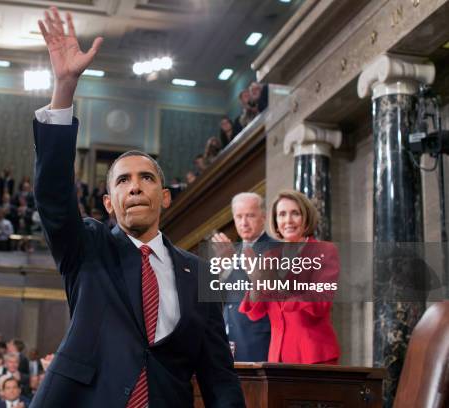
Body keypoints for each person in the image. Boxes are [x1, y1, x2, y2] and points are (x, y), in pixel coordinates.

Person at [30, 7, 244, 408]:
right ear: (109, 204)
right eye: (123, 181)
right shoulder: (88, 249)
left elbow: (219, 375)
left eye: (147, 178)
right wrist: (64, 89)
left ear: (164, 196)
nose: (135, 187)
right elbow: (54, 198)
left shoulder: (199, 275)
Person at [239, 189, 340, 364]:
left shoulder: (324, 251)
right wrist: (256, 282)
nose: (288, 220)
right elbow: (255, 312)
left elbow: (321, 302)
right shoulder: (270, 257)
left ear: (306, 217)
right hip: (277, 358)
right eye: (282, 214)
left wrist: (277, 288)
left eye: (295, 213)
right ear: (276, 222)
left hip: (314, 354)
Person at [212, 192, 276, 362]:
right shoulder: (231, 250)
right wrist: (219, 272)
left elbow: (267, 294)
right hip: (229, 339)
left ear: (263, 216)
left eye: (250, 216)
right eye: (239, 216)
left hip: (258, 340)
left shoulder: (276, 248)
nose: (244, 223)